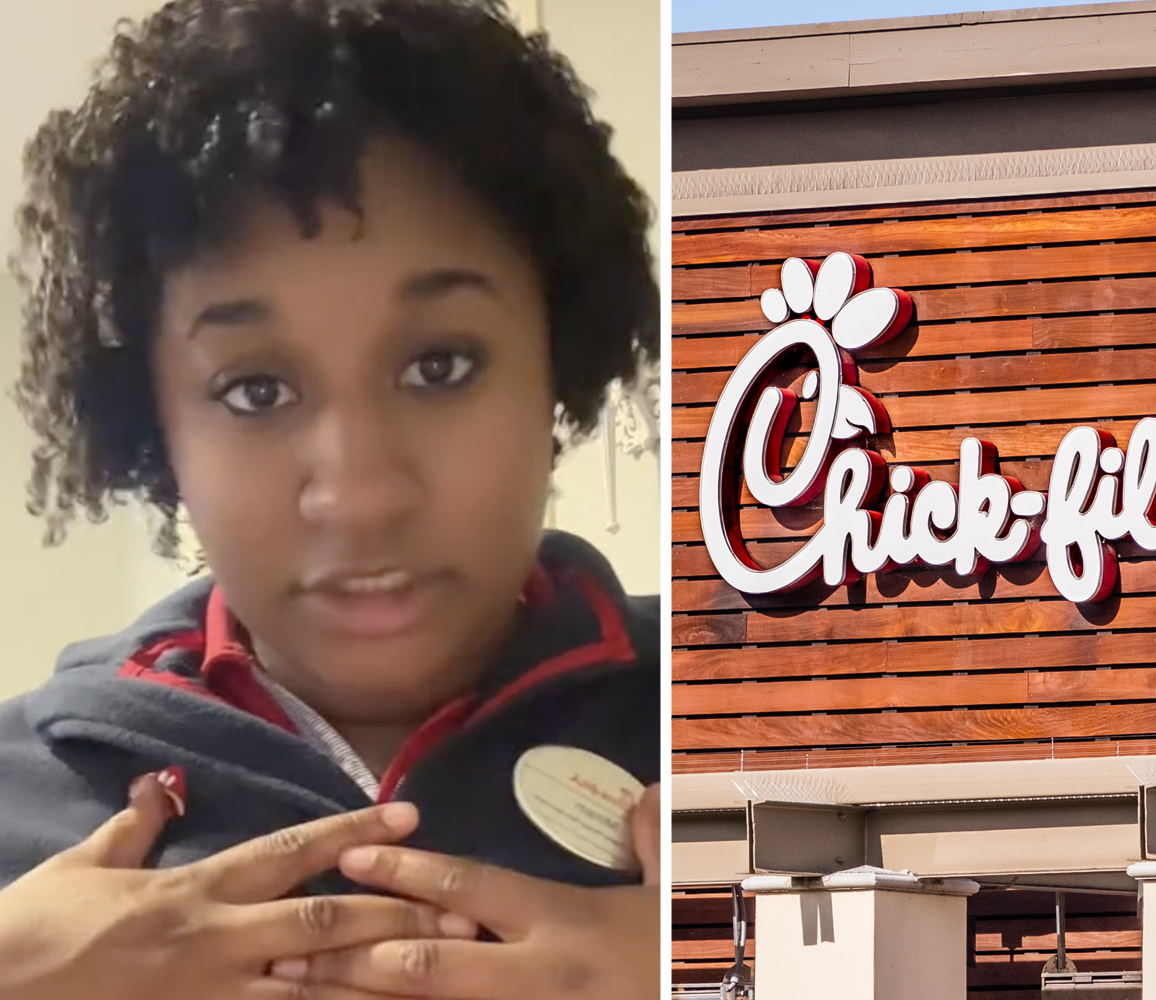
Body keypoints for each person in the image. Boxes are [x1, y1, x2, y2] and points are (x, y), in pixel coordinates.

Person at [0, 1, 661, 997]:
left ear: (555, 370)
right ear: (156, 425)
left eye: (439, 364)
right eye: (254, 390)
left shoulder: (740, 733)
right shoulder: (17, 807)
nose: (359, 494)